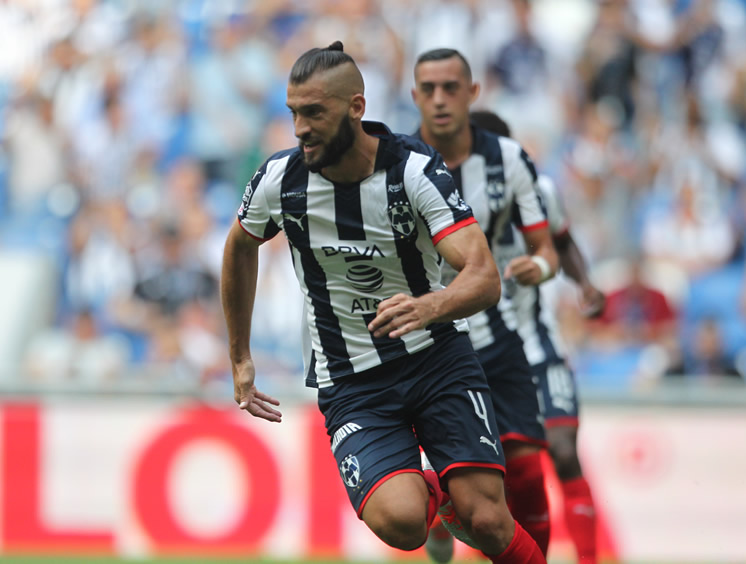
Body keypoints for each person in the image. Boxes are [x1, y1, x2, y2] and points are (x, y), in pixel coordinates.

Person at [221, 42, 545, 564]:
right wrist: (239, 355)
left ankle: (455, 498)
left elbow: (484, 277)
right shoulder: (280, 180)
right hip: (352, 383)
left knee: (486, 517)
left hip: (438, 360)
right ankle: (436, 495)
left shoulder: (412, 171)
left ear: (355, 108)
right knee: (403, 523)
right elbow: (239, 247)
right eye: (294, 113)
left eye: (314, 113)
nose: (300, 128)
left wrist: (429, 307)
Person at [412, 49, 561, 562]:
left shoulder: (508, 158)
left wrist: (538, 268)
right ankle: (438, 503)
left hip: (499, 335)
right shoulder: (396, 163)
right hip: (431, 347)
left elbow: (546, 249)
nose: (440, 99)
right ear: (415, 97)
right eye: (428, 89)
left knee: (527, 469)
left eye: (451, 87)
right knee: (470, 491)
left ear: (472, 93)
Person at [470, 106, 607, 564]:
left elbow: (563, 241)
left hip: (537, 343)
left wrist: (583, 282)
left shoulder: (539, 190)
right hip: (482, 352)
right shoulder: (451, 198)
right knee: (503, 474)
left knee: (564, 451)